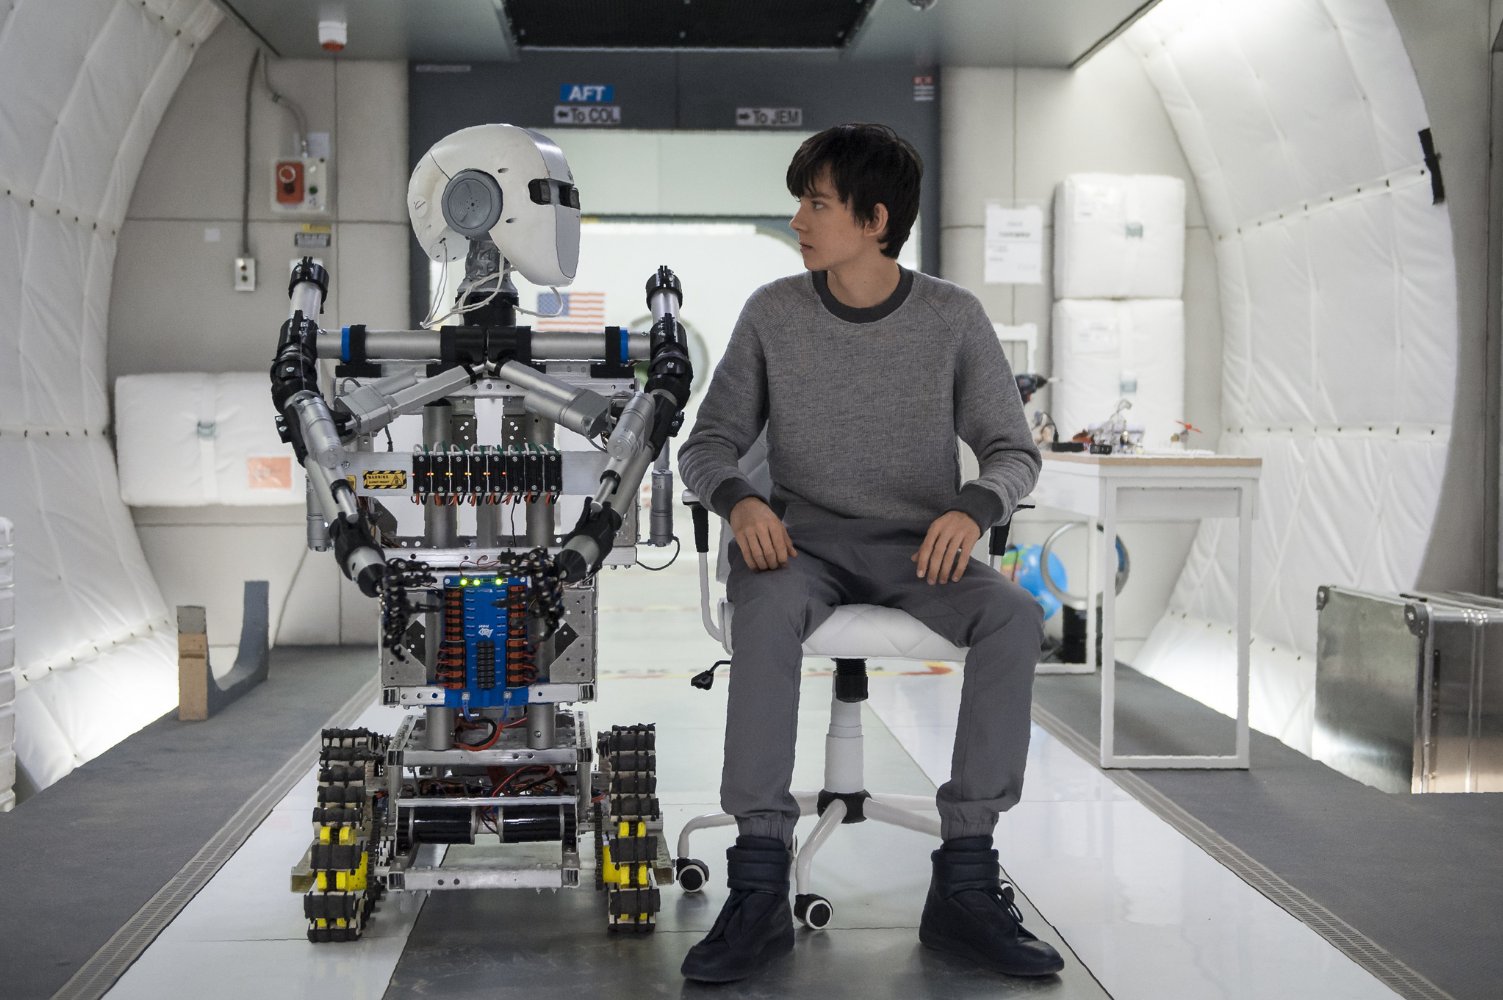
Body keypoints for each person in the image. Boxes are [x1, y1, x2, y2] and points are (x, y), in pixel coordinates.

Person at [675, 123, 1062, 983]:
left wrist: (973, 506)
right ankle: (759, 883)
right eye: (800, 203)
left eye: (816, 204)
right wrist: (739, 500)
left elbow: (1012, 449)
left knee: (1012, 617)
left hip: (919, 551)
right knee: (763, 608)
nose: (798, 221)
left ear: (875, 220)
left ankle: (965, 880)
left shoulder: (952, 318)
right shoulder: (772, 313)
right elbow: (706, 445)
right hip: (801, 545)